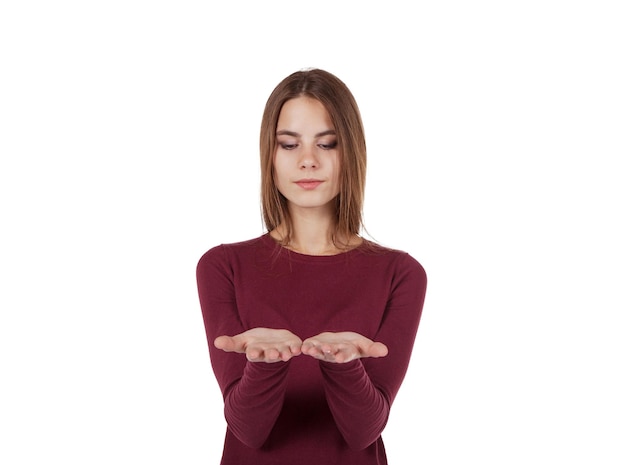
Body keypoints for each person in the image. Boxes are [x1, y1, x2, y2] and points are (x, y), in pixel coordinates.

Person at [196, 68, 427, 465]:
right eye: (289, 144)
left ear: (351, 152)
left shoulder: (400, 274)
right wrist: (263, 366)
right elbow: (248, 430)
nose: (307, 161)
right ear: (269, 154)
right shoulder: (222, 266)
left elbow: (362, 432)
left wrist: (344, 367)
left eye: (328, 144)